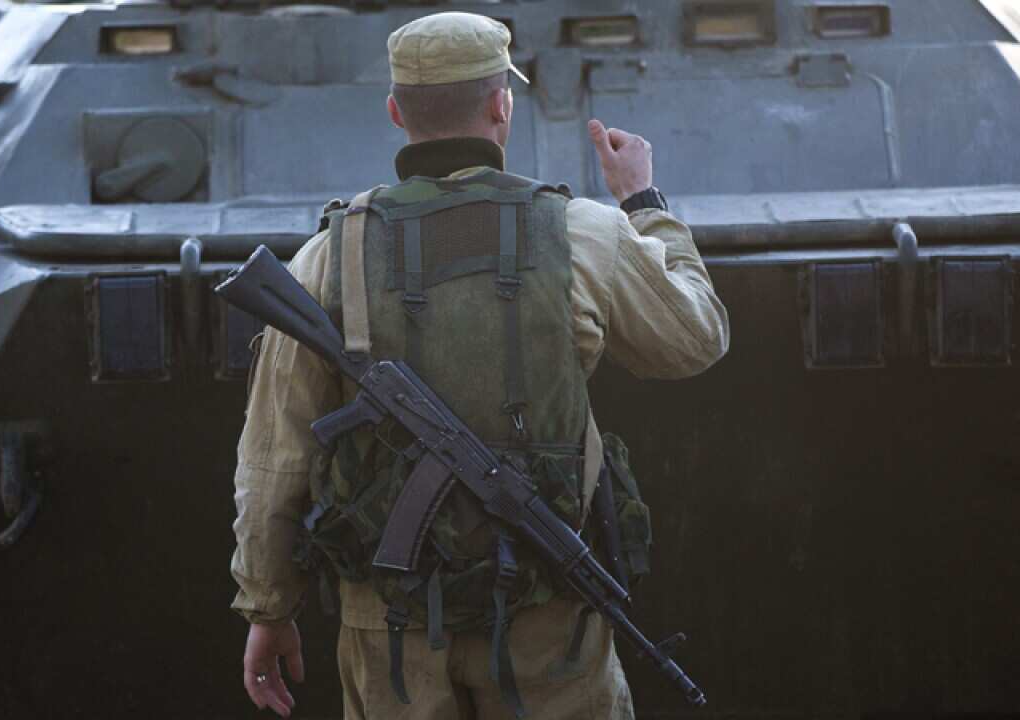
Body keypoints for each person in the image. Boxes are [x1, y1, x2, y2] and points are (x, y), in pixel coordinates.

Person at [231, 11, 729, 720]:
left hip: (390, 627)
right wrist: (643, 205)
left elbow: (273, 456)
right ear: (502, 106)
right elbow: (696, 338)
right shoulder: (582, 232)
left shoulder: (325, 258)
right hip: (547, 614)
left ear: (396, 112)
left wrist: (268, 607)